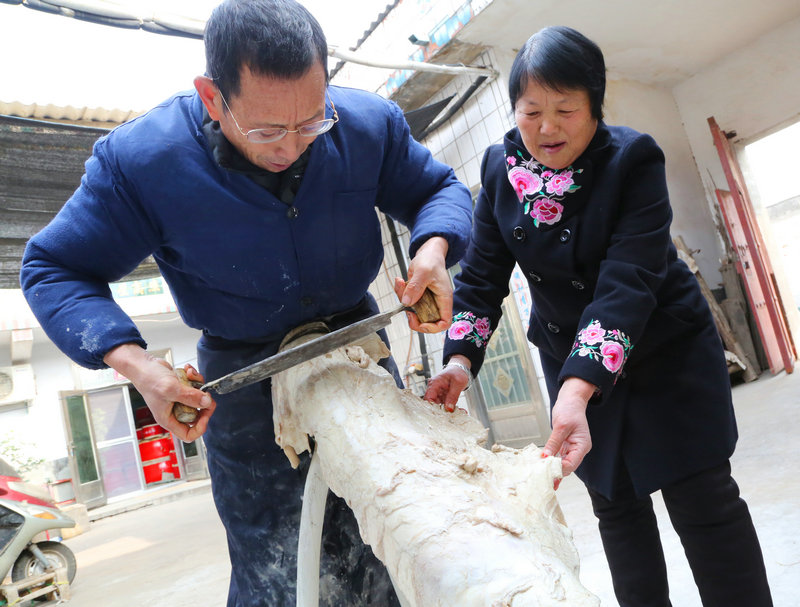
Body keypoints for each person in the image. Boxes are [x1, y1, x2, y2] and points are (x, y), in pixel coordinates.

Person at [20, 0, 472, 604]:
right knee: (279, 570)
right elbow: (54, 267)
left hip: (359, 354)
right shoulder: (143, 163)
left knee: (393, 545)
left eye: (312, 121)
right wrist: (137, 365)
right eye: (266, 130)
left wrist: (435, 247)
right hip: (243, 384)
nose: (291, 146)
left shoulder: (368, 125)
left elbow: (437, 189)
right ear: (212, 97)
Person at [424, 26, 773, 607]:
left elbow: (627, 283)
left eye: (566, 109)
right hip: (570, 361)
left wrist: (578, 389)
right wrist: (461, 361)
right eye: (531, 111)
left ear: (595, 106)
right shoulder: (498, 171)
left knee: (703, 499)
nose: (546, 127)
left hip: (664, 352)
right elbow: (483, 278)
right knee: (617, 506)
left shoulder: (632, 160)